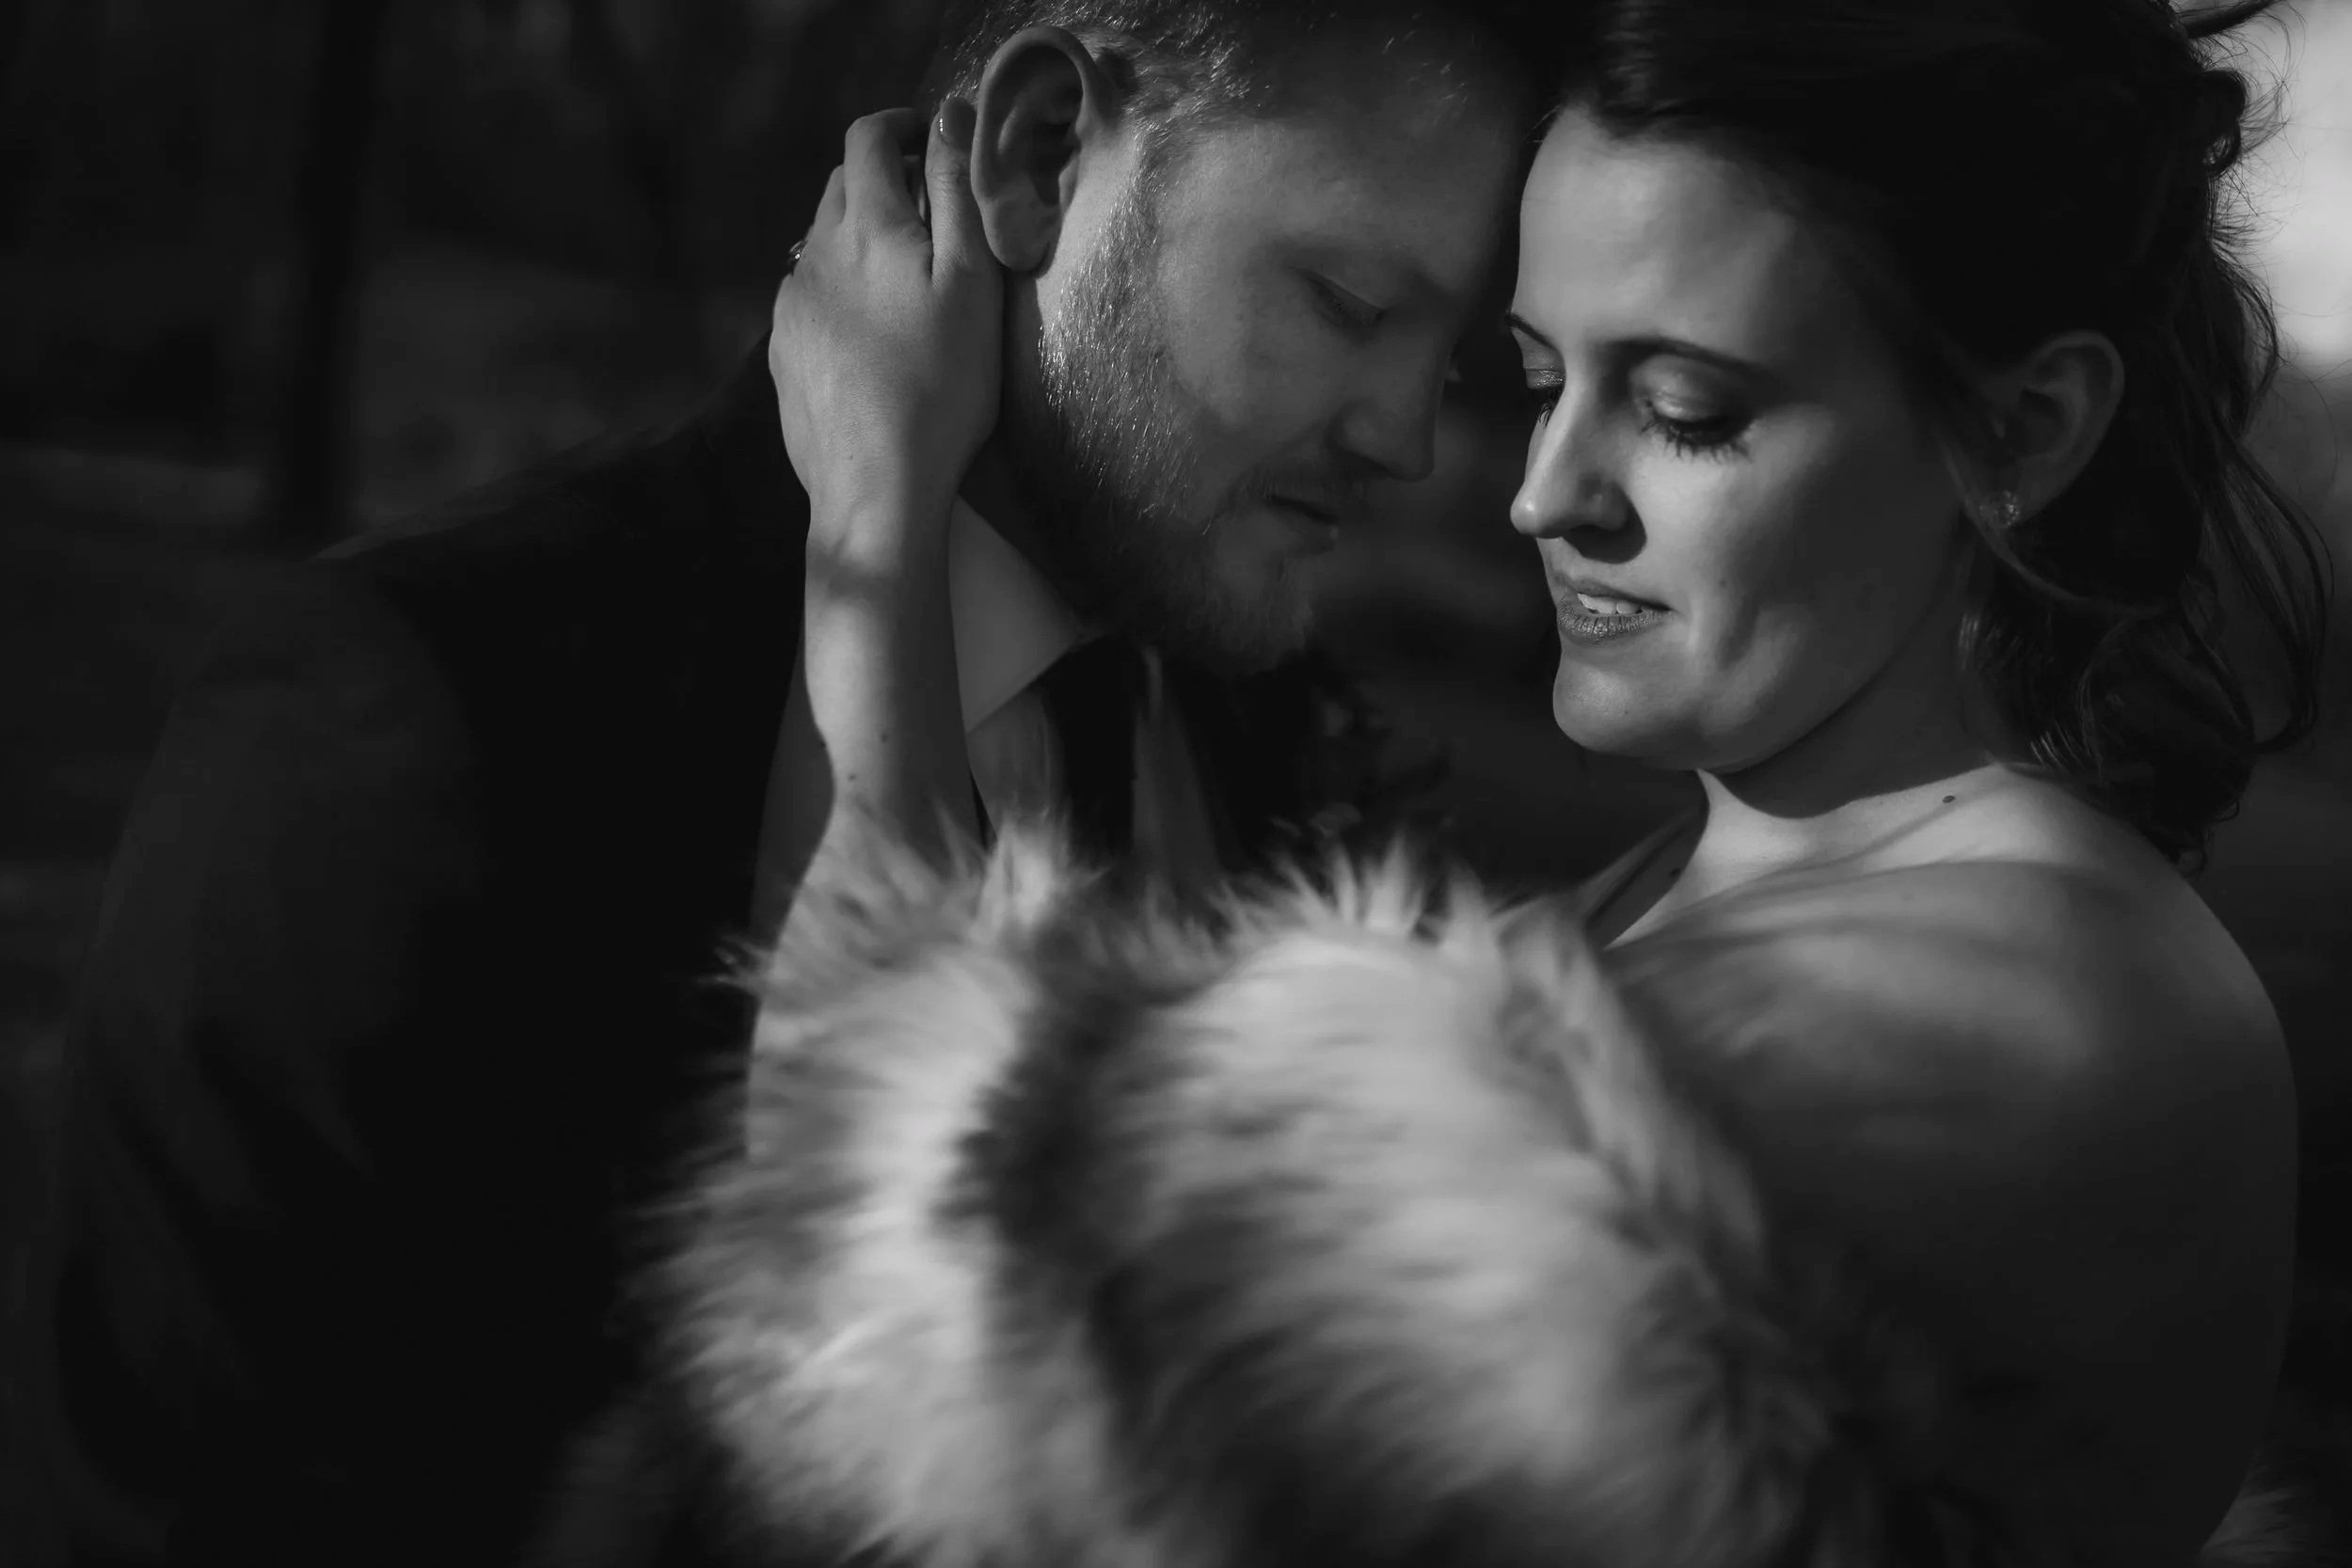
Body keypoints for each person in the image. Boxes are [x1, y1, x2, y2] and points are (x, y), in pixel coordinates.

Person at [736, 0, 2329, 1561]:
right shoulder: (1746, 892)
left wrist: (876, 512)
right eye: (1539, 378)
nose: (1541, 496)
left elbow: (892, 1298)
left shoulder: (2002, 1014)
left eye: (1688, 410)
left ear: (2027, 431)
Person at [23, 6, 1552, 1564]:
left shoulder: (1266, 735)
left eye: (1457, 355)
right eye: (1351, 300)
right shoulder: (411, 723)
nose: (1413, 439)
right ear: (1038, 160)